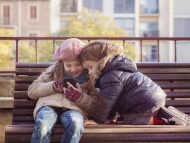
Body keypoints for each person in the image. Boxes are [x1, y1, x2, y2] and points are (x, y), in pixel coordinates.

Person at [66, 40, 190, 126]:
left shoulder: (110, 76)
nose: (90, 72)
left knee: (131, 121)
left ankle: (166, 119)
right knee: (127, 118)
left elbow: (106, 100)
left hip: (144, 102)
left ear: (101, 63)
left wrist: (98, 120)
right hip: (149, 98)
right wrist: (111, 118)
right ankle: (166, 114)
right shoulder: (114, 71)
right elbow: (114, 99)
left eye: (90, 67)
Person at [28, 38, 98, 143]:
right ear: (62, 63)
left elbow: (95, 107)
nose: (73, 69)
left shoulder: (91, 76)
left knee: (75, 123)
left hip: (75, 109)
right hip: (49, 105)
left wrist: (80, 97)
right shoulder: (53, 71)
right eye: (68, 65)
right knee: (43, 124)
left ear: (84, 62)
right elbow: (32, 91)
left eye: (78, 64)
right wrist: (52, 86)